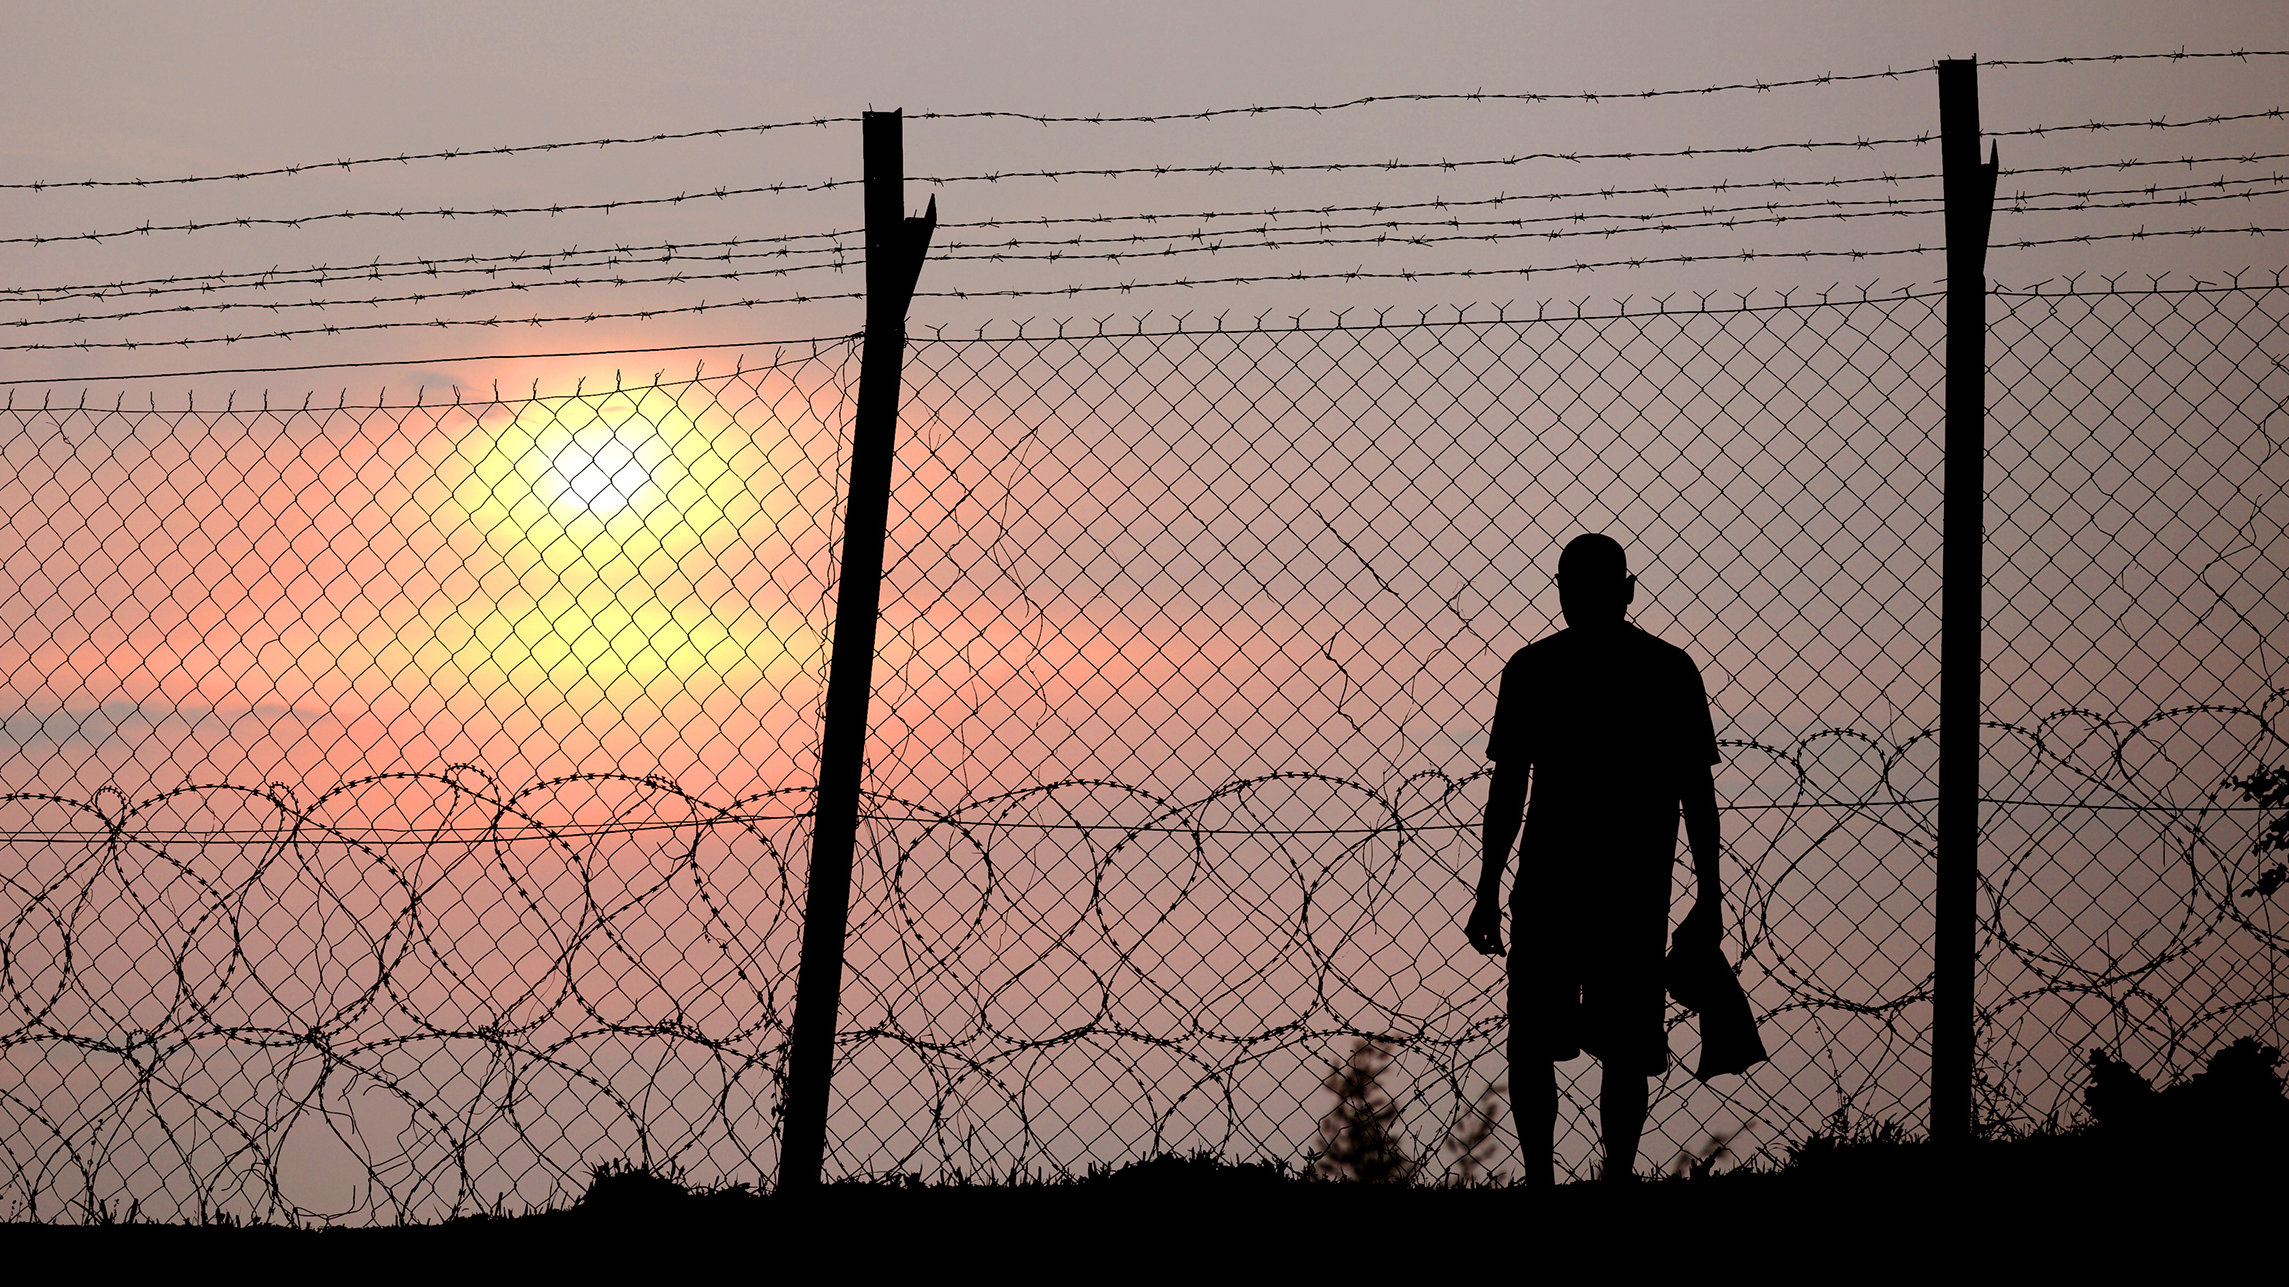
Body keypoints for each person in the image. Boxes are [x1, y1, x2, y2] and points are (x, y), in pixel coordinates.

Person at [1465, 533, 1724, 1184]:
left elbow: (1508, 790)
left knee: (1537, 1041)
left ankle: (1541, 1181)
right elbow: (1696, 793)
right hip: (1630, 889)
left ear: (1565, 593)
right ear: (1628, 590)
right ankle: (1615, 1179)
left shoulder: (1534, 668)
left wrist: (1488, 887)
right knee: (1621, 1046)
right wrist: (1709, 893)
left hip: (1551, 884)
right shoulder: (1667, 669)